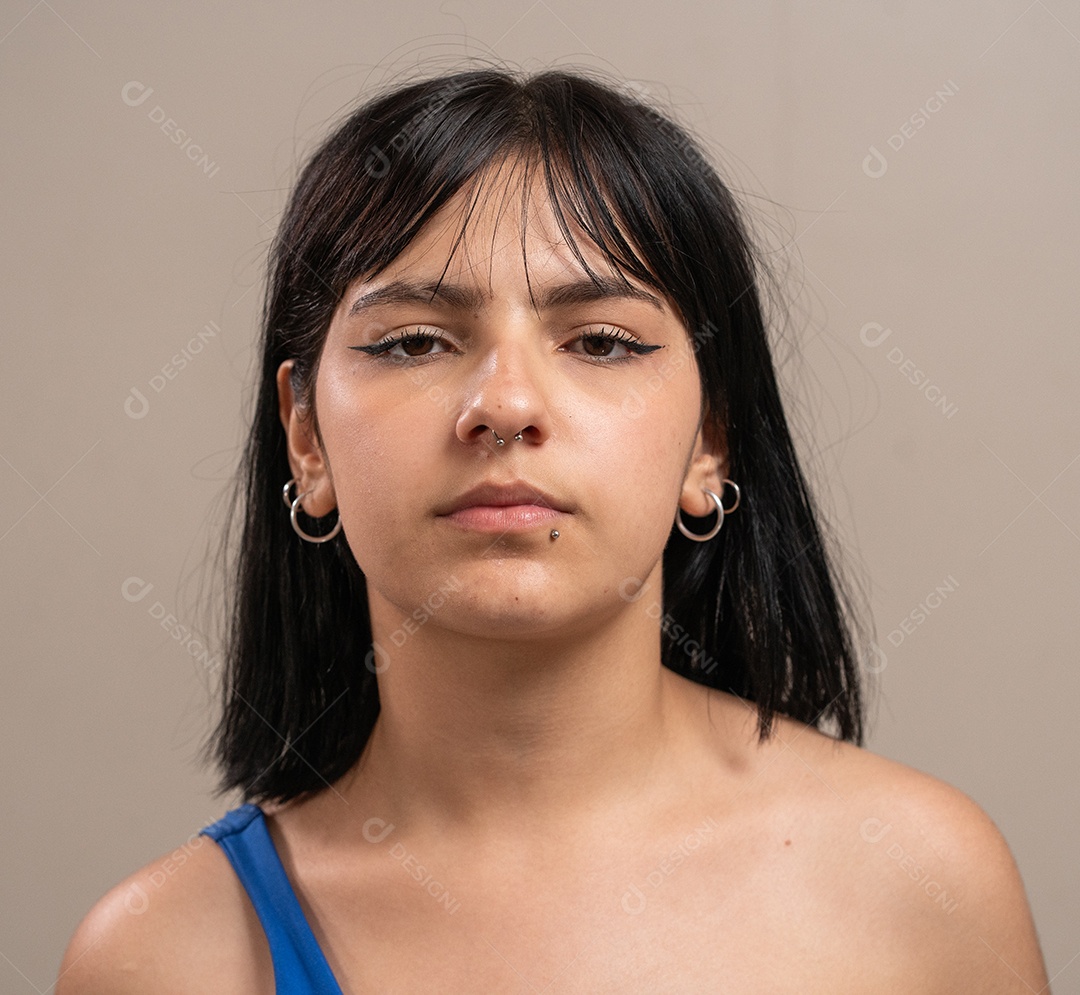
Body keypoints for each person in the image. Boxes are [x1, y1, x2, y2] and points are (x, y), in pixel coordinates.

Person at [58, 64, 1049, 993]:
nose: (504, 404)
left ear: (712, 439)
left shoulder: (921, 885)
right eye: (413, 341)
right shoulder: (163, 955)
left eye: (602, 341)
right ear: (305, 437)